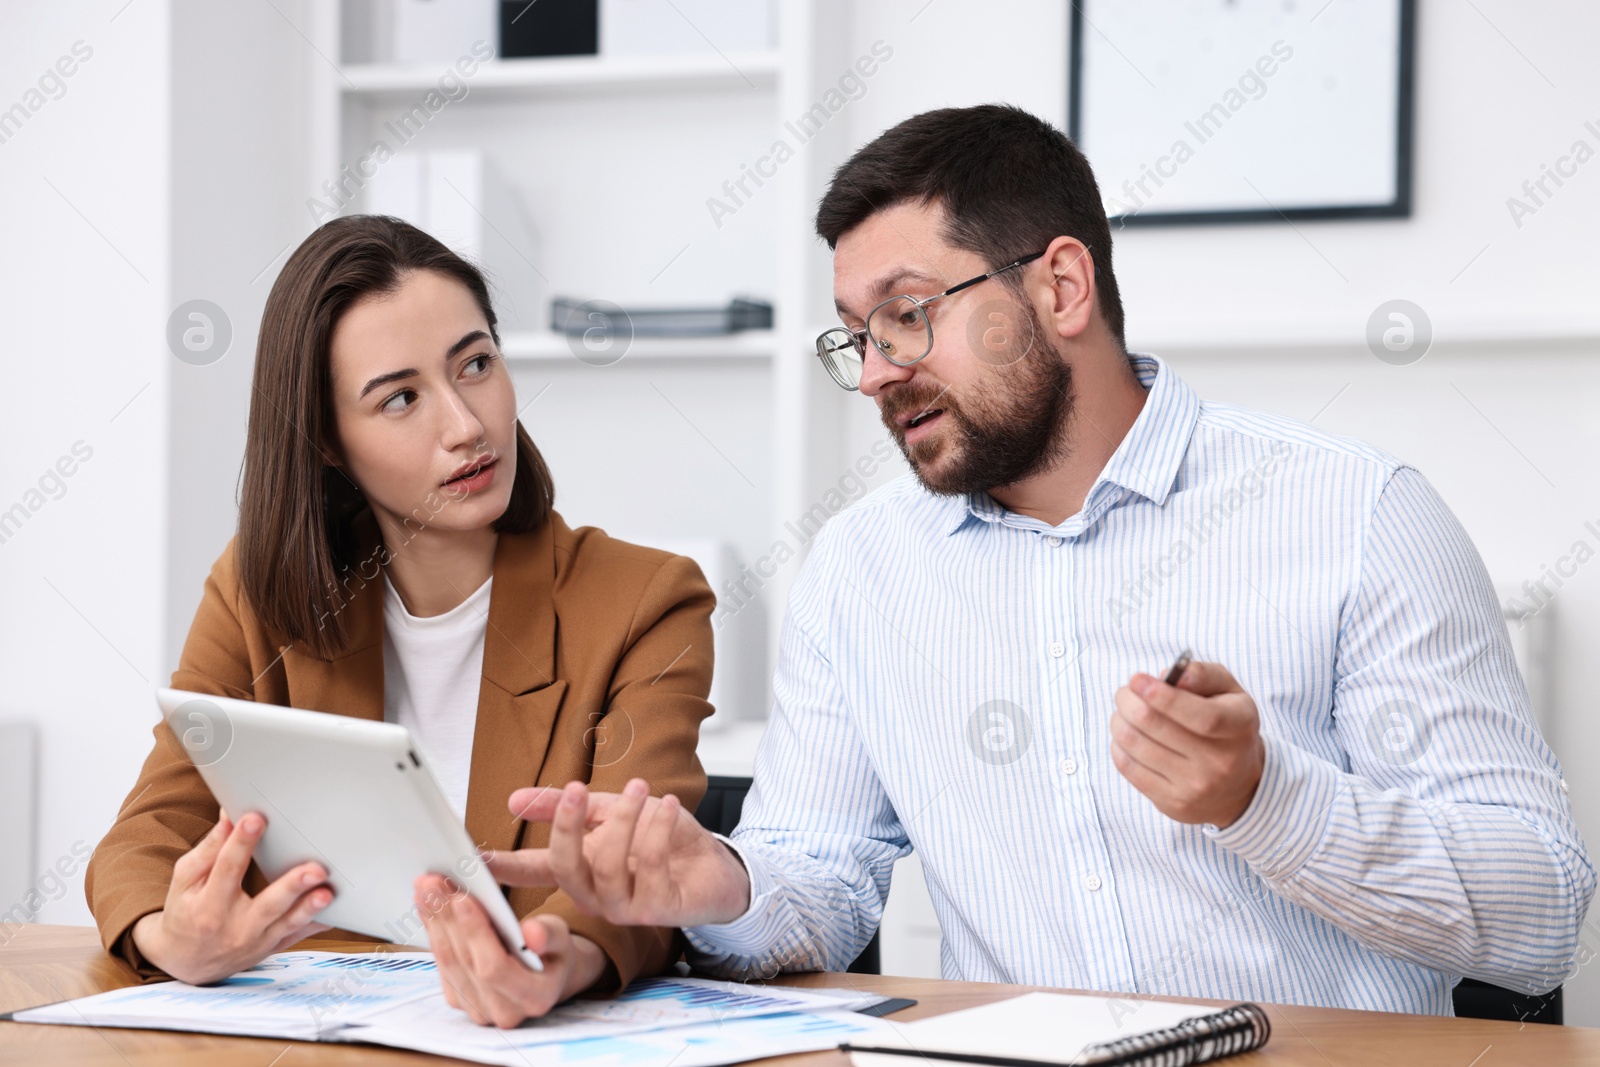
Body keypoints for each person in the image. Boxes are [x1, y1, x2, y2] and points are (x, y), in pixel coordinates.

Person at [465, 105, 1594, 1015]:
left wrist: (1265, 796)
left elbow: (1542, 917)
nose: (875, 372)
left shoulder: (1354, 513)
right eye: (856, 336)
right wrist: (721, 885)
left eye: (907, 315)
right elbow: (820, 870)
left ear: (1060, 287)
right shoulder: (864, 570)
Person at [85, 215, 715, 1027]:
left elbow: (644, 871)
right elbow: (145, 835)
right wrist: (173, 937)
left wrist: (561, 956)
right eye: (402, 398)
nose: (467, 425)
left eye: (477, 364)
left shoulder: (647, 599)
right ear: (326, 441)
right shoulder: (254, 591)